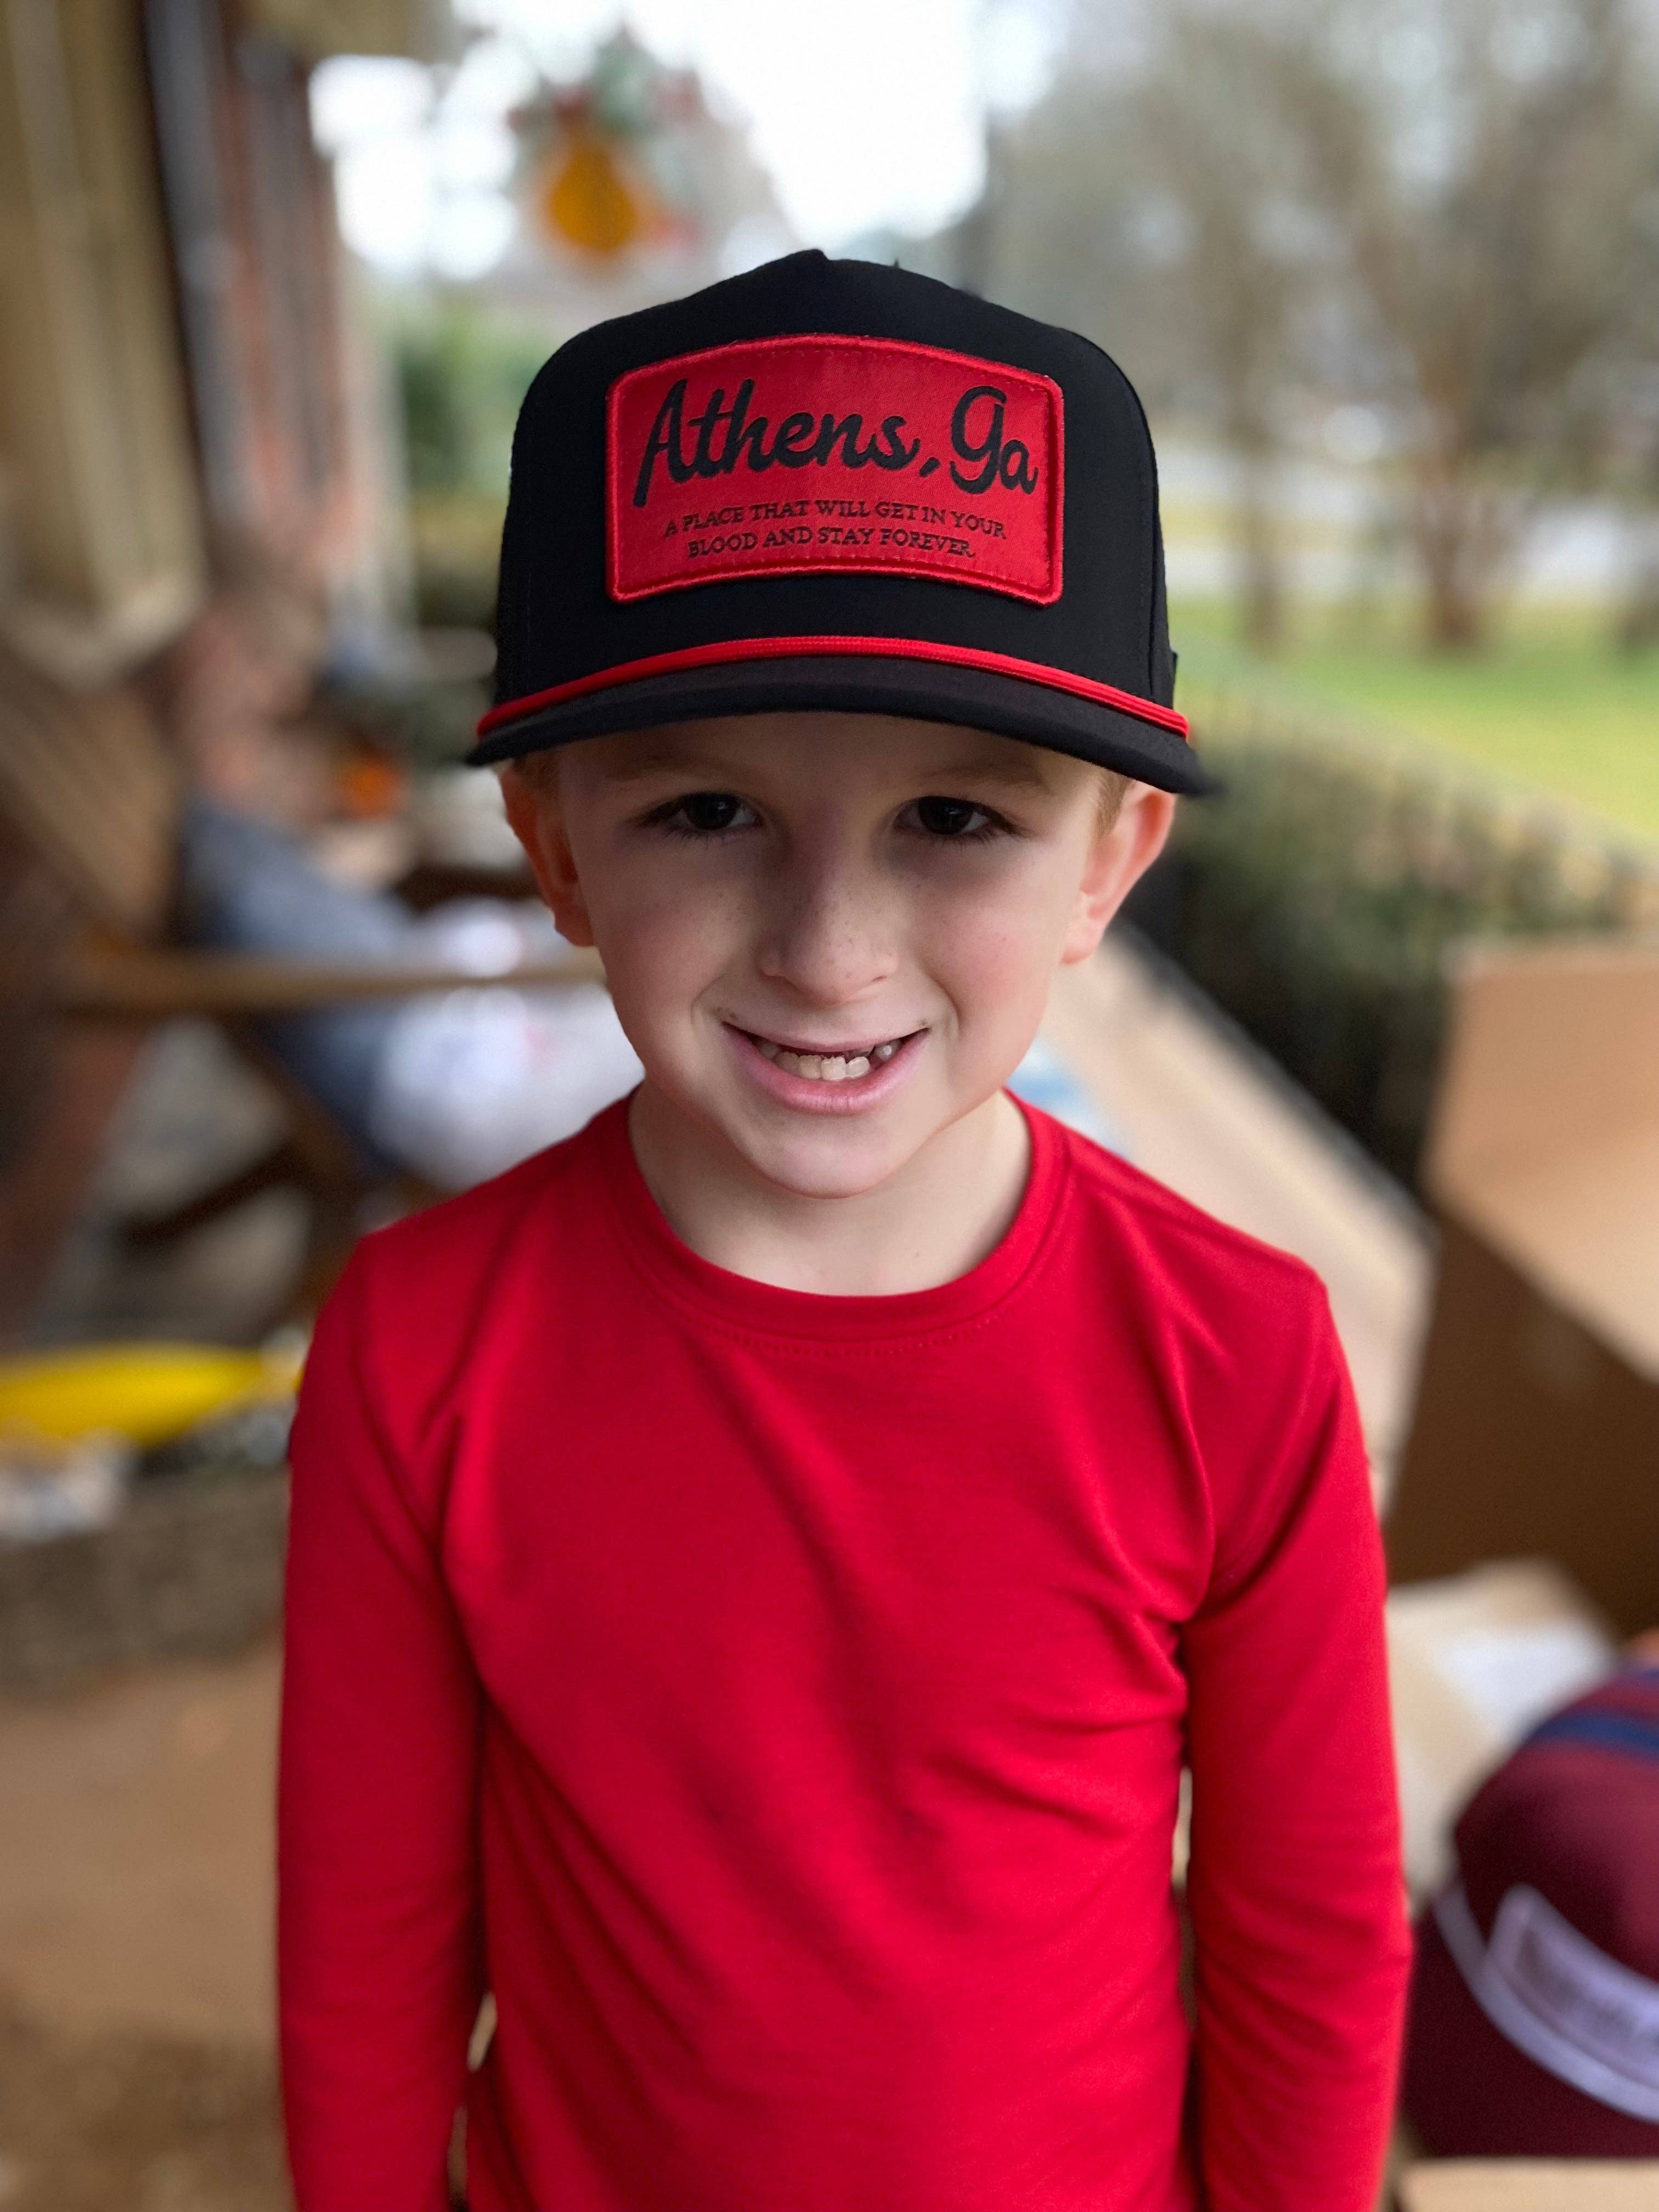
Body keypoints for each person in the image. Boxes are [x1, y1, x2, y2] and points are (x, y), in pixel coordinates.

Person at [278, 251, 1411, 2212]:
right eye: (706, 812)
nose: (828, 951)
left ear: (1110, 860)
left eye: (954, 821)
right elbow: (366, 1951)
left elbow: (1308, 1943)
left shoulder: (1240, 1356)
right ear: (553, 844)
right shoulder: (416, 1350)